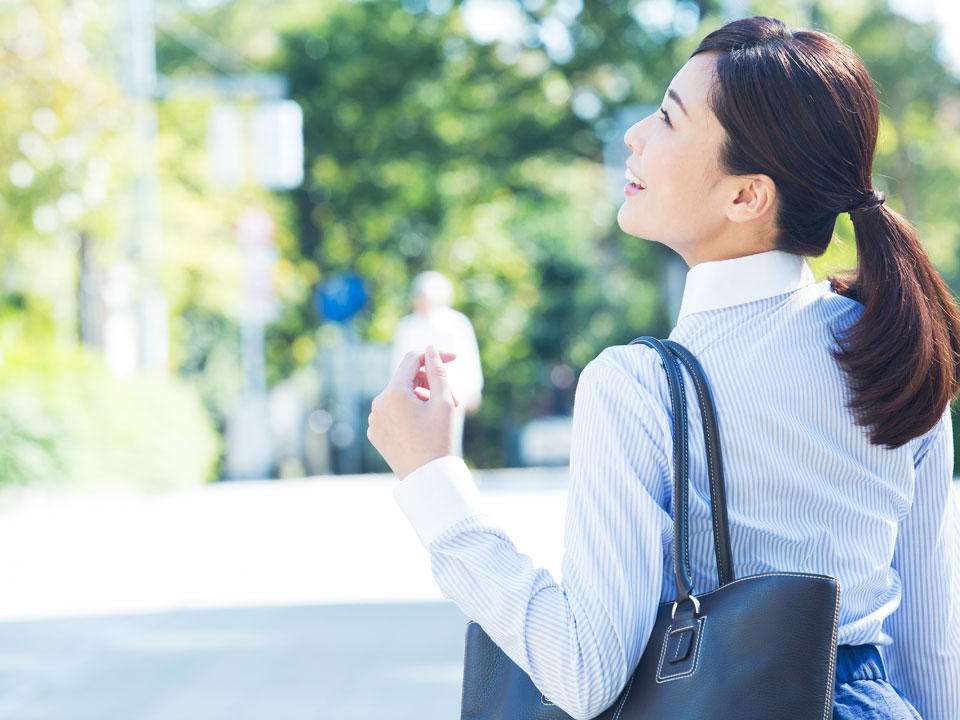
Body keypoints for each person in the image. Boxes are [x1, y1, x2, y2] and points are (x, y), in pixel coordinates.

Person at [367, 16, 960, 720]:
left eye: (670, 121)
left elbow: (584, 673)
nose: (636, 135)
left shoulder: (640, 386)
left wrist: (432, 478)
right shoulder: (893, 352)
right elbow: (931, 655)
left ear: (747, 196)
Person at [389, 270, 483, 457]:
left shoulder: (457, 324)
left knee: (449, 443)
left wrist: (474, 389)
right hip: (416, 393)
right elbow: (398, 363)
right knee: (417, 444)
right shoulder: (407, 326)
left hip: (452, 392)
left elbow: (468, 358)